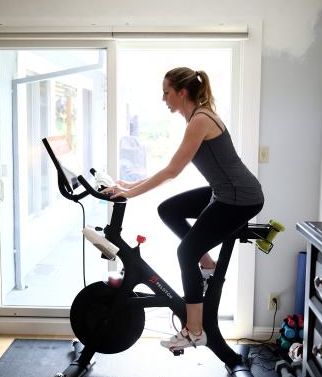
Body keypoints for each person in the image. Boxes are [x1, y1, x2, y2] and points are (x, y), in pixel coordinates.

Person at [103, 67, 264, 351]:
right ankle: (207, 264)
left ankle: (195, 330)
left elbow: (172, 172)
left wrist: (130, 192)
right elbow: (169, 168)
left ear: (182, 92)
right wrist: (129, 184)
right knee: (169, 210)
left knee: (184, 252)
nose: (163, 98)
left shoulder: (200, 120)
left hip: (239, 198)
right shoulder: (197, 117)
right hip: (225, 192)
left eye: (166, 92)